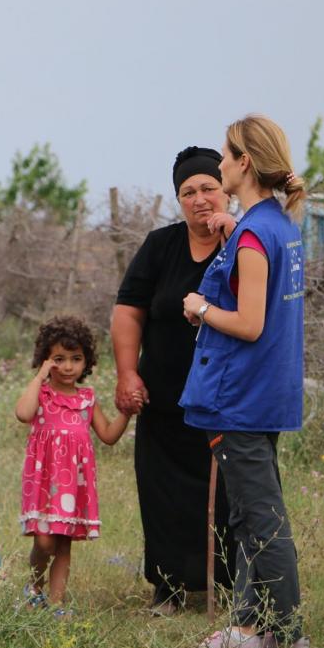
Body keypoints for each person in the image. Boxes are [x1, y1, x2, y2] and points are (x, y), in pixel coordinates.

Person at [177, 115, 310, 648]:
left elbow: (251, 323)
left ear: (244, 162)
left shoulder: (255, 236)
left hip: (243, 397)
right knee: (247, 514)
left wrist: (201, 306)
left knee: (262, 519)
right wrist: (235, 234)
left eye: (226, 158)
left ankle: (289, 638)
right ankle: (251, 631)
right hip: (266, 393)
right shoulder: (275, 226)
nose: (220, 166)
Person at [111, 146, 238, 616]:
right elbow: (128, 311)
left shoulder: (243, 244)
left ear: (226, 190)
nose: (200, 199)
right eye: (189, 192)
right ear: (178, 199)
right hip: (162, 400)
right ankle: (168, 587)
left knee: (227, 495)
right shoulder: (160, 246)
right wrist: (128, 373)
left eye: (208, 187)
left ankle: (224, 583)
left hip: (224, 400)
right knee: (160, 493)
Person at [15, 316, 133, 617]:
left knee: (64, 545)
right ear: (45, 360)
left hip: (73, 485)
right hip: (44, 480)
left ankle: (56, 605)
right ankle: (34, 588)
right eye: (59, 359)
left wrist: (127, 414)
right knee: (44, 541)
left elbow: (107, 435)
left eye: (76, 359)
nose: (68, 367)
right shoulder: (41, 394)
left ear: (87, 362)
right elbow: (22, 412)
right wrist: (40, 377)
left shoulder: (87, 399)